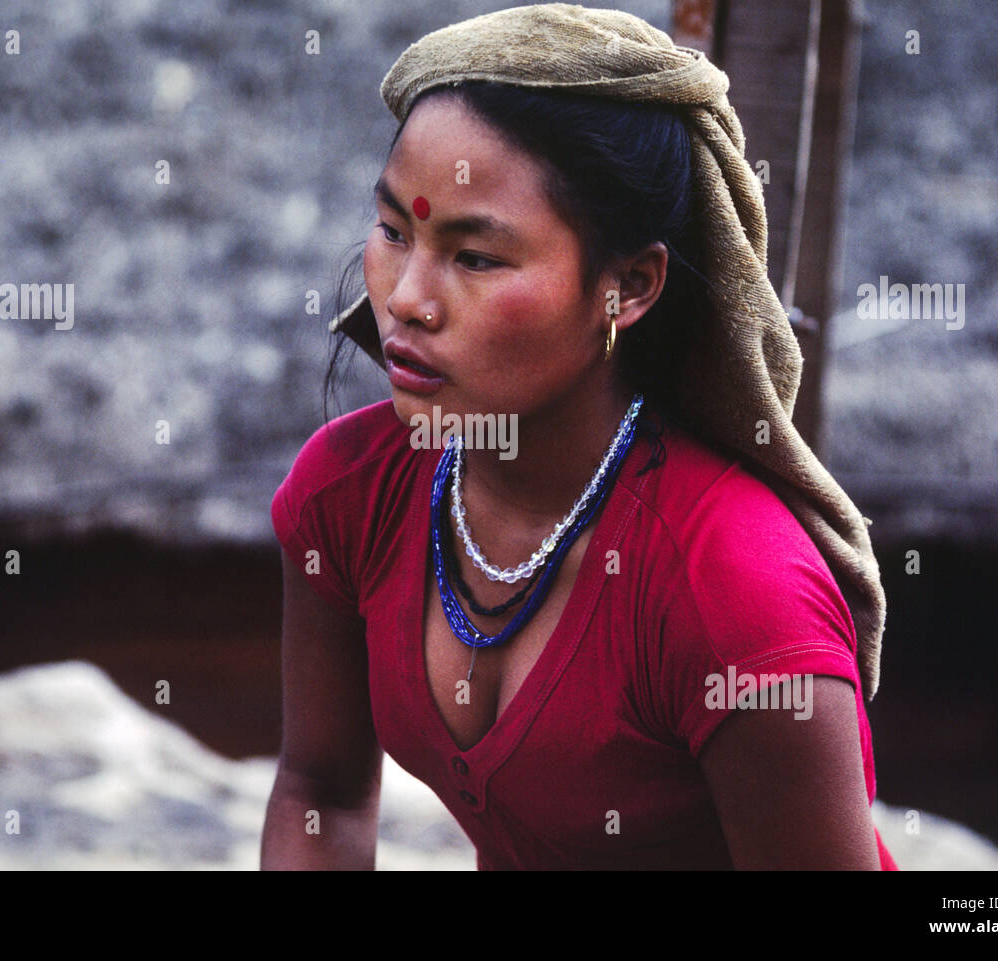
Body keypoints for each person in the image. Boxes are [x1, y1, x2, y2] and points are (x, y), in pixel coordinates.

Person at [261, 3, 895, 870]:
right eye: (393, 231)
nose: (406, 297)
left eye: (475, 257)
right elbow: (320, 795)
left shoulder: (734, 594)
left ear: (626, 288)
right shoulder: (349, 494)